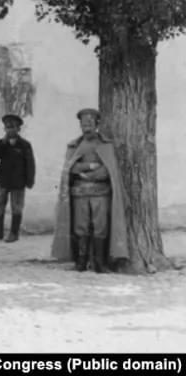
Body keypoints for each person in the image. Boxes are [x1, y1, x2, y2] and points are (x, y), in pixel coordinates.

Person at [50, 107, 130, 274]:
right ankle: (81, 261)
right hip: (79, 194)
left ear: (96, 124)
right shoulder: (75, 146)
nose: (87, 126)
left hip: (100, 193)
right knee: (81, 227)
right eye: (84, 123)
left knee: (100, 226)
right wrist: (88, 167)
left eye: (90, 123)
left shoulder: (105, 146)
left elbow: (107, 170)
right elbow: (71, 168)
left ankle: (99, 263)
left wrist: (88, 175)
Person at [0, 112, 36, 244]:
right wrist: (3, 144)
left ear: (18, 129)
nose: (10, 130)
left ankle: (13, 233)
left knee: (16, 207)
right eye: (7, 127)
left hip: (18, 181)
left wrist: (29, 180)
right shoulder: (2, 143)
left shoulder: (24, 145)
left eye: (13, 127)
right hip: (3, 180)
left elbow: (30, 164)